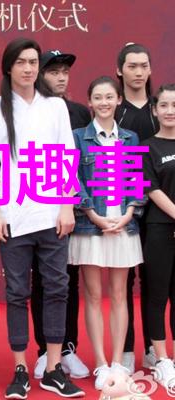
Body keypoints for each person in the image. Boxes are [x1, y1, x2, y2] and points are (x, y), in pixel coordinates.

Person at [0, 38, 85, 399]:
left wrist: (67, 205)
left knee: (56, 289)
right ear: (9, 66)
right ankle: (21, 368)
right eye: (21, 62)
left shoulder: (55, 106)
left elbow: (67, 156)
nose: (28, 68)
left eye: (33, 62)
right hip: (12, 216)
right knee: (16, 293)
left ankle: (53, 368)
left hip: (52, 214)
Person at [70, 76, 144, 390]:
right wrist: (94, 215)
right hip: (91, 226)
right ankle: (100, 363)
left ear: (118, 100)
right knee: (92, 295)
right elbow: (73, 179)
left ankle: (117, 362)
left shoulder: (130, 138)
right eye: (98, 97)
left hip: (123, 225)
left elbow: (136, 180)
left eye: (109, 97)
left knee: (119, 295)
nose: (104, 102)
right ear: (90, 102)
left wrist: (127, 215)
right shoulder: (78, 137)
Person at [31, 50, 91, 380]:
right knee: (41, 281)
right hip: (36, 207)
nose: (61, 77)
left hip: (72, 209)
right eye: (53, 71)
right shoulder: (29, 111)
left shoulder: (79, 112)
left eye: (65, 71)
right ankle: (44, 349)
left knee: (68, 281)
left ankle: (68, 347)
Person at [115, 43, 159, 373]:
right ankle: (127, 349)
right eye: (132, 66)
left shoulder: (162, 108)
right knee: (124, 282)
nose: (139, 72)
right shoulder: (114, 110)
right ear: (120, 70)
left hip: (159, 210)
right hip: (124, 208)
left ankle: (153, 349)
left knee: (156, 281)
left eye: (144, 65)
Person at [141, 83, 175, 393]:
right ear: (155, 110)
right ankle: (162, 358)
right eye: (164, 105)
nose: (170, 111)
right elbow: (151, 188)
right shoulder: (148, 147)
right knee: (157, 295)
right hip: (159, 228)